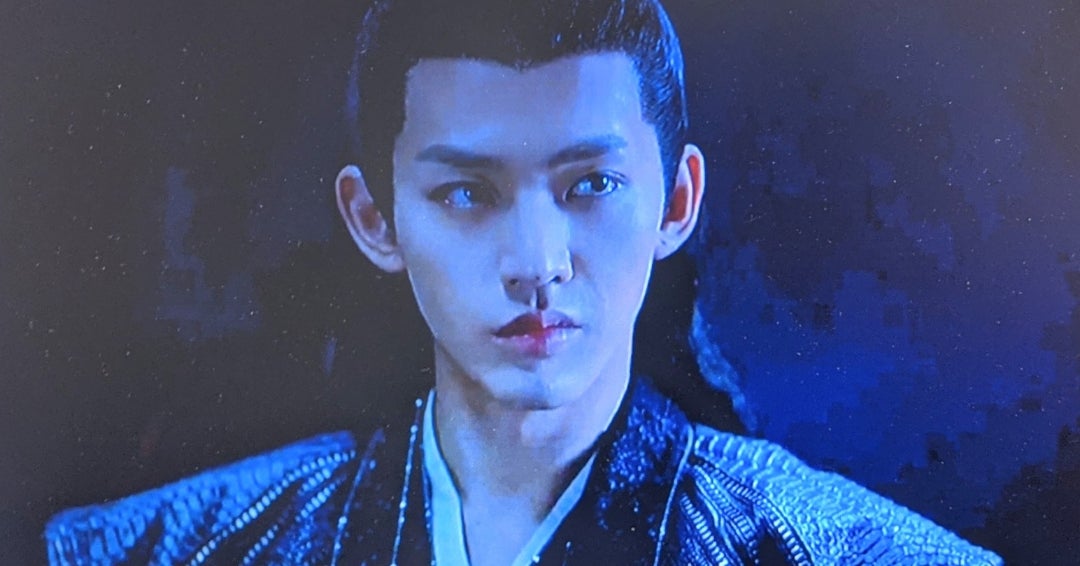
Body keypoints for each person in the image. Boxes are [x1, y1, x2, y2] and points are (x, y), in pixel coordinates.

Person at [45, 0, 1002, 564]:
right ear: (374, 219)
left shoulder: (853, 554)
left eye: (592, 185)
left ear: (676, 201)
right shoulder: (150, 551)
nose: (538, 262)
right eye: (466, 193)